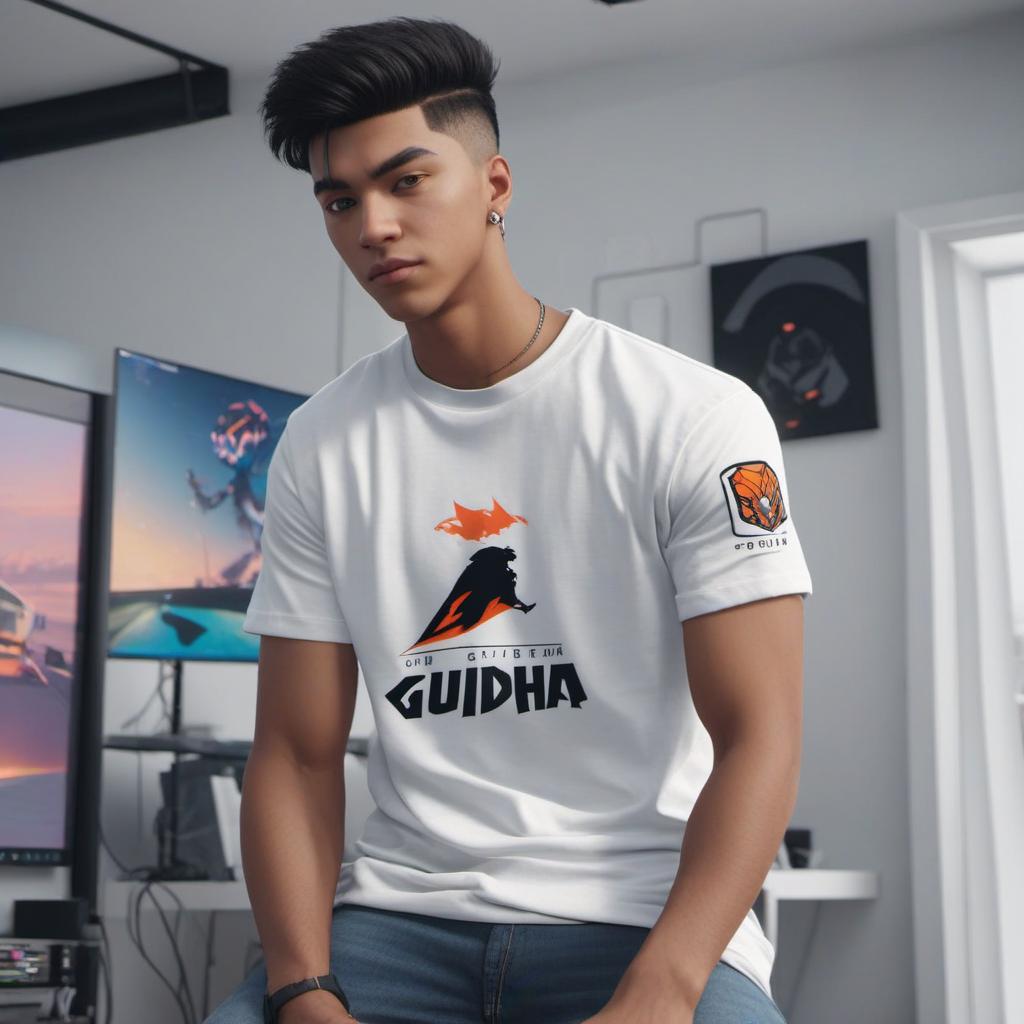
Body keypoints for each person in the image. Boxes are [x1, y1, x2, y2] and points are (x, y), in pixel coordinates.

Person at [205, 15, 811, 1024]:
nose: (374, 226)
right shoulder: (321, 441)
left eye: (407, 181)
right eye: (339, 199)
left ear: (494, 185)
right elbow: (295, 754)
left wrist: (660, 992)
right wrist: (302, 985)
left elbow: (762, 734)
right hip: (395, 923)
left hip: (638, 919)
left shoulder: (694, 413)